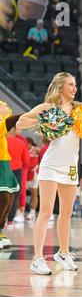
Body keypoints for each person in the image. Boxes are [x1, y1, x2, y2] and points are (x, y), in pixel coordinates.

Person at [17, 72, 82, 275]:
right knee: (45, 212)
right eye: (71, 84)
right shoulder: (49, 107)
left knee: (66, 214)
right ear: (60, 86)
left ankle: (63, 252)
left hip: (70, 166)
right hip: (51, 165)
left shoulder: (80, 109)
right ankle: (37, 259)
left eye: (75, 85)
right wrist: (42, 122)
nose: (74, 88)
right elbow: (21, 122)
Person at [0, 102, 20, 249]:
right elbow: (6, 123)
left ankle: (0, 231)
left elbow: (6, 110)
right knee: (4, 196)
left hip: (4, 160)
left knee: (10, 197)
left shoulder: (2, 106)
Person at [6, 114, 29, 225]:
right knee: (15, 195)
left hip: (4, 169)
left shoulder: (2, 142)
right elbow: (27, 161)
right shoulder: (21, 143)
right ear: (14, 130)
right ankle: (10, 220)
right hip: (17, 171)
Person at [26, 137, 40, 221]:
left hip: (34, 174)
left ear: (30, 143)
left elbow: (43, 158)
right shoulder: (24, 149)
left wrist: (38, 167)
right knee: (20, 193)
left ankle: (32, 212)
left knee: (34, 193)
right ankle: (20, 211)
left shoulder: (36, 149)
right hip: (26, 173)